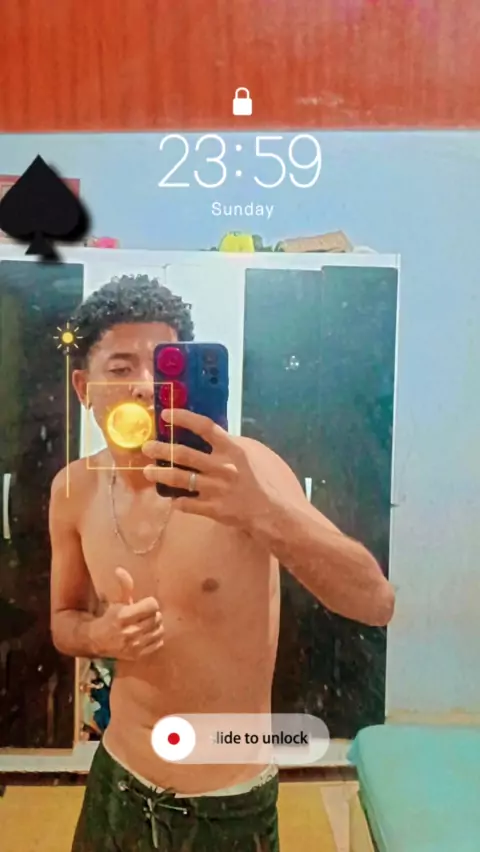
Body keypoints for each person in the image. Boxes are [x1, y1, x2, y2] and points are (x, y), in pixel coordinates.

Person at [49, 275, 395, 852]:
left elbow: (375, 602)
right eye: (121, 367)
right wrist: (98, 635)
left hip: (227, 805)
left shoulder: (247, 470)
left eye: (162, 366)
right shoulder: (73, 491)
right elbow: (63, 621)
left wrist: (262, 512)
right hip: (117, 783)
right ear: (84, 386)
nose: (144, 387)